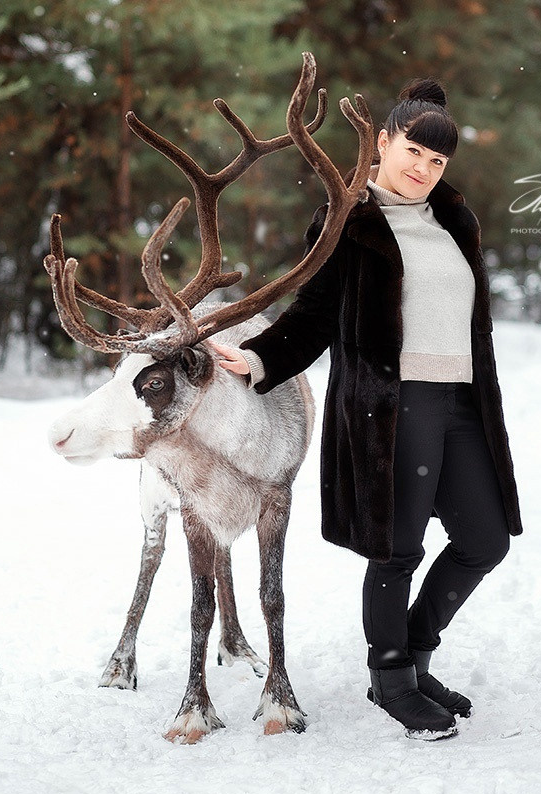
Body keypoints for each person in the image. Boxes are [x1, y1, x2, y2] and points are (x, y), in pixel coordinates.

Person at [209, 79, 523, 741]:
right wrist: (261, 359)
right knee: (397, 550)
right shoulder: (346, 221)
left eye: (437, 162)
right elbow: (314, 314)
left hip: (463, 402)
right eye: (413, 151)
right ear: (383, 142)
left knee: (484, 540)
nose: (422, 169)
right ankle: (390, 678)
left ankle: (414, 654)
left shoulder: (453, 220)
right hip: (394, 405)